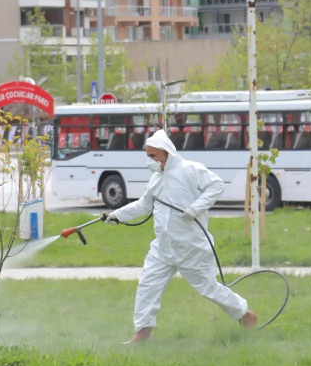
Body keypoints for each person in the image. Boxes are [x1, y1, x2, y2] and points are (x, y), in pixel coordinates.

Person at [106, 130, 258, 344]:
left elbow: (217, 185)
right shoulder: (156, 179)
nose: (150, 161)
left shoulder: (190, 170)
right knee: (147, 286)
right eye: (148, 156)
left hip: (191, 248)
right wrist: (117, 215)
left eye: (153, 156)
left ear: (165, 153)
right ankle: (143, 333)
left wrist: (195, 208)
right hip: (163, 247)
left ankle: (245, 315)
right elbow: (144, 205)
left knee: (209, 288)